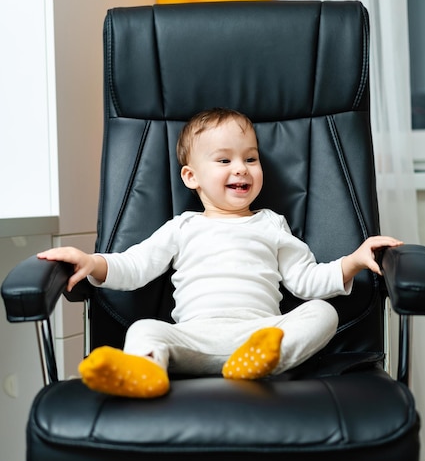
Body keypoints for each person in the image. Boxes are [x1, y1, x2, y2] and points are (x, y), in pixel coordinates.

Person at [38, 108, 403, 398]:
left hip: (261, 336)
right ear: (191, 177)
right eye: (224, 161)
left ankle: (261, 364)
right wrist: (91, 263)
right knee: (145, 329)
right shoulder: (183, 227)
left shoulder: (271, 224)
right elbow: (134, 266)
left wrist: (354, 260)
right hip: (193, 339)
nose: (241, 168)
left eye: (251, 158)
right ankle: (145, 372)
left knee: (323, 312)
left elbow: (306, 280)